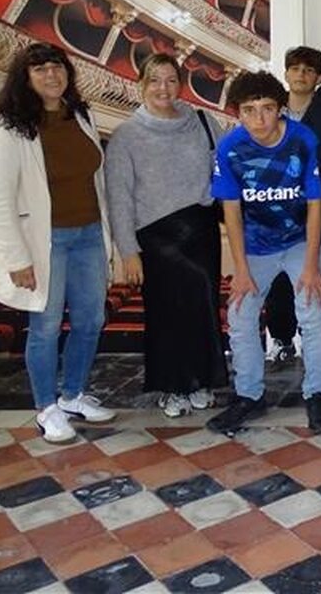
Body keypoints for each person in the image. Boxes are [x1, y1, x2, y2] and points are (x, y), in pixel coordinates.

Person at [0, 42, 116, 443]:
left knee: (91, 321)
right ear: (25, 78)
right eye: (40, 69)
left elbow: (96, 179)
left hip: (89, 235)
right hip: (45, 241)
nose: (51, 75)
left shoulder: (82, 115)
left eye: (56, 66)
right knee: (45, 326)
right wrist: (16, 257)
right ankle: (47, 408)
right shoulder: (8, 128)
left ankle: (73, 395)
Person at [207, 71, 321, 436]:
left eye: (267, 108)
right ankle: (249, 395)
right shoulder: (230, 148)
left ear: (280, 109)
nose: (259, 119)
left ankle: (317, 394)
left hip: (299, 241)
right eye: (249, 110)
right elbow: (231, 211)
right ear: (238, 112)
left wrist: (311, 265)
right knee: (240, 313)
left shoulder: (302, 139)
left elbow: (316, 204)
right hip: (255, 246)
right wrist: (240, 269)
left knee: (312, 309)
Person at [105, 53, 226, 419]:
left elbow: (224, 170)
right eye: (155, 80)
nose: (163, 88)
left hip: (201, 230)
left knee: (204, 307)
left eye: (171, 80)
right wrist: (128, 251)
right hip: (156, 238)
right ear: (141, 84)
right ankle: (172, 387)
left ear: (181, 84)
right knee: (167, 314)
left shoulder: (203, 122)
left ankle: (202, 381)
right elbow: (119, 197)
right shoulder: (126, 136)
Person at [264, 45, 321, 370]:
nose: (301, 75)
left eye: (309, 70)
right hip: (277, 207)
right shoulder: (271, 113)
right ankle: (282, 338)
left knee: (313, 277)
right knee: (278, 279)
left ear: (319, 78)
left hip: (316, 206)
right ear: (286, 73)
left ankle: (315, 346)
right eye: (295, 69)